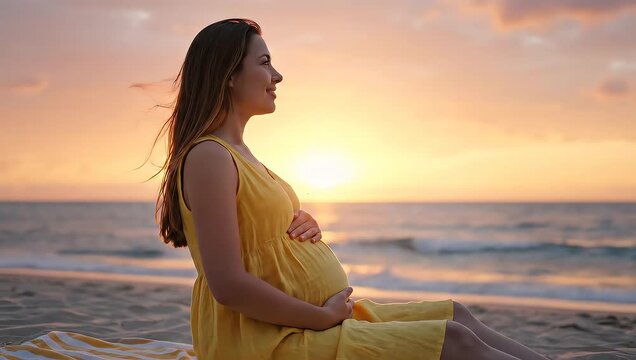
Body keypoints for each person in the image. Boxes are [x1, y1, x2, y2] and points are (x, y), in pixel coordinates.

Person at [153, 18, 550, 360]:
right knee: (454, 341)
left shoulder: (239, 153)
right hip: (265, 339)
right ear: (228, 76)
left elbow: (252, 227)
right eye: (265, 62)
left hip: (300, 322)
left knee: (455, 314)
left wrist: (294, 226)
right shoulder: (210, 155)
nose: (277, 76)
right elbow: (228, 285)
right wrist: (322, 317)